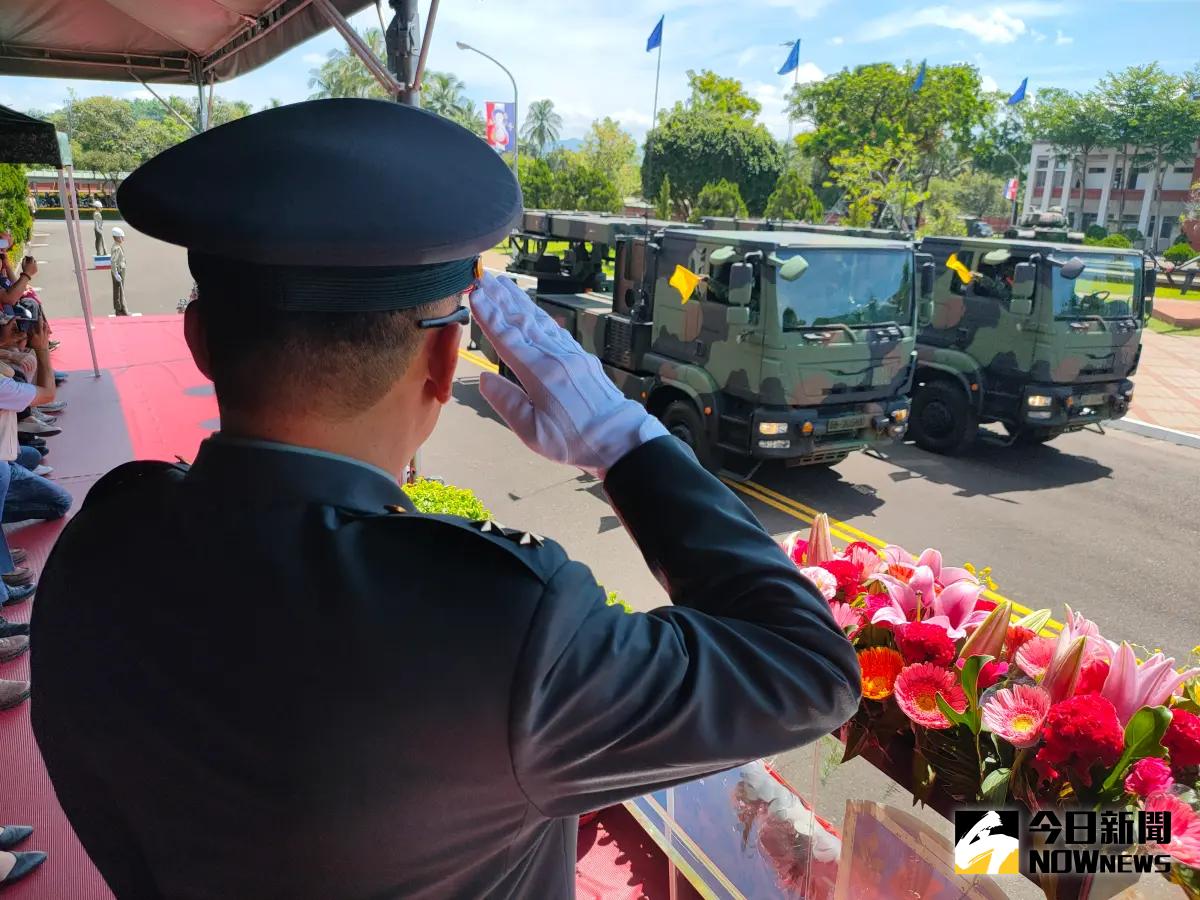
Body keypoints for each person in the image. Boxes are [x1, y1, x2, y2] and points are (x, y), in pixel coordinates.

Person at [31, 99, 859, 900]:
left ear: (200, 340)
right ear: (442, 361)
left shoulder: (101, 542)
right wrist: (622, 439)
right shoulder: (498, 631)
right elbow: (809, 669)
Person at [110, 226, 129, 315]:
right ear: (117, 237)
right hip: (119, 270)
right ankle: (120, 309)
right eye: (122, 237)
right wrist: (116, 273)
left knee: (118, 290)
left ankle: (120, 308)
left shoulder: (117, 246)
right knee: (119, 290)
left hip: (119, 270)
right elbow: (113, 261)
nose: (123, 238)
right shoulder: (116, 248)